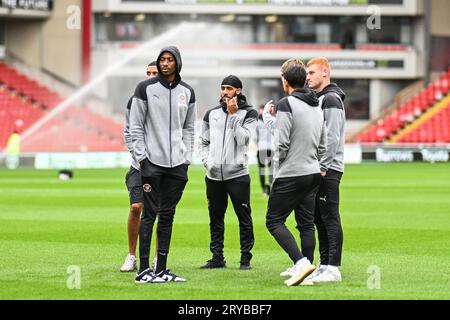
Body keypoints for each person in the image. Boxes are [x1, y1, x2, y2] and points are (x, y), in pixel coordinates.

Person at [130, 46, 196, 283]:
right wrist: (142, 158)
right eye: (162, 60)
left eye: (170, 60)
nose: (165, 63)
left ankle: (162, 270)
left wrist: (186, 158)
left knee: (168, 216)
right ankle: (143, 271)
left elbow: (190, 128)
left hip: (177, 165)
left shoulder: (187, 92)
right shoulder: (144, 88)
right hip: (151, 164)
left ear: (177, 63)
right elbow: (135, 126)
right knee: (150, 215)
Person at [265, 58, 327, 287]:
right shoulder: (317, 104)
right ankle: (307, 270)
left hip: (292, 172)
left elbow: (281, 143)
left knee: (273, 221)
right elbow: (323, 141)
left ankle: (300, 263)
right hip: (313, 171)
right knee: (306, 224)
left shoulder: (286, 103)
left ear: (285, 80)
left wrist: (276, 172)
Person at [199, 75, 258, 270]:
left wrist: (233, 116)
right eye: (222, 88)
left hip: (238, 176)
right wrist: (208, 163)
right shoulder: (211, 114)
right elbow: (204, 142)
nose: (224, 92)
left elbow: (244, 140)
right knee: (215, 217)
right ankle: (217, 258)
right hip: (213, 176)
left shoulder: (249, 114)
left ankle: (245, 259)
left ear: (238, 91)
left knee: (244, 217)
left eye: (229, 88)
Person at [305, 57, 346, 283]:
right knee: (319, 219)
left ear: (325, 73)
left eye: (312, 73)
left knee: (329, 217)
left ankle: (333, 267)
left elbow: (332, 135)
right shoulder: (321, 98)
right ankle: (324, 263)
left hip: (328, 168)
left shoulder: (330, 98)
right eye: (307, 73)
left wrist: (322, 166)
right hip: (319, 166)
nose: (308, 77)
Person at [121, 61, 158, 273]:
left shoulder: (168, 100)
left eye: (154, 73)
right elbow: (128, 131)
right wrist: (139, 156)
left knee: (159, 212)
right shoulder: (134, 100)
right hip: (138, 165)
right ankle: (131, 256)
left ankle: (157, 259)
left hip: (161, 166)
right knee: (136, 207)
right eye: (148, 72)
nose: (150, 76)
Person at [256, 105, 274, 196]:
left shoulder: (257, 122)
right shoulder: (273, 120)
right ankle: (269, 187)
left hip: (262, 148)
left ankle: (264, 189)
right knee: (271, 170)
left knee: (262, 170)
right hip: (271, 148)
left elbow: (256, 136)